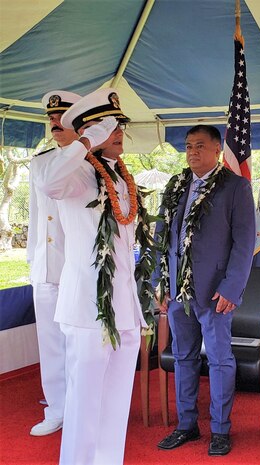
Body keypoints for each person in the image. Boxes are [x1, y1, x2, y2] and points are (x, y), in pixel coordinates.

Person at [36, 88, 149, 465]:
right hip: (88, 309)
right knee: (84, 407)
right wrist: (82, 143)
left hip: (124, 308)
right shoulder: (80, 175)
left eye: (119, 124)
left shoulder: (119, 176)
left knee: (114, 408)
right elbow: (49, 182)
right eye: (108, 125)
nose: (117, 131)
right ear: (90, 132)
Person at [154, 125, 255, 456]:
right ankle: (186, 424)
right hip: (177, 295)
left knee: (219, 360)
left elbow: (244, 242)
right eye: (188, 147)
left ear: (217, 150)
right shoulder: (176, 186)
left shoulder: (235, 187)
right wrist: (161, 282)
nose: (193, 152)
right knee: (183, 358)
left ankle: (221, 430)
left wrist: (232, 288)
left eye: (200, 146)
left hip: (215, 293)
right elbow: (161, 239)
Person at [27, 90, 80, 436]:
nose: (54, 124)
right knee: (50, 342)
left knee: (78, 343)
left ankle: (80, 404)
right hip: (46, 267)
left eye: (61, 118)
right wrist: (34, 261)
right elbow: (35, 217)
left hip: (76, 267)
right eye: (51, 118)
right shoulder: (40, 162)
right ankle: (57, 409)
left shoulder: (90, 161)